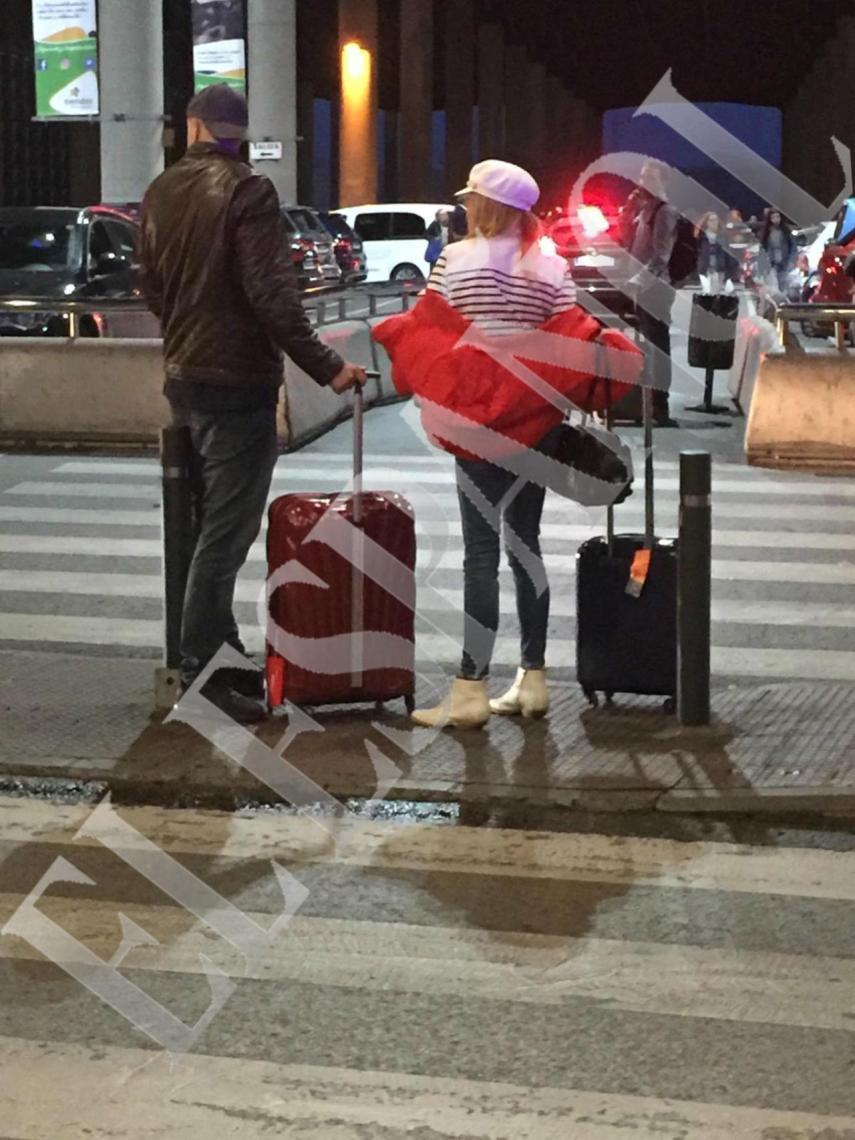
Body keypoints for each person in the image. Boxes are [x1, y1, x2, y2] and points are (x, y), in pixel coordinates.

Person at [372, 160, 641, 729]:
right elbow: (566, 339)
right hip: (535, 424)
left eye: (472, 200)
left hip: (474, 428)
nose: (466, 207)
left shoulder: (454, 260)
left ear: (485, 206)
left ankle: (471, 689)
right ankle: (533, 680)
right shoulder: (550, 266)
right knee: (526, 547)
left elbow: (429, 330)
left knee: (479, 556)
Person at [139, 85, 365, 723]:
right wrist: (330, 367)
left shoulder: (160, 192)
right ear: (238, 133)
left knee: (205, 524)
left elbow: (151, 286)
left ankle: (218, 653)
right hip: (236, 381)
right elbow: (273, 297)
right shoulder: (247, 190)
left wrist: (186, 330)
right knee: (225, 535)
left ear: (193, 128)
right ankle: (203, 670)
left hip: (185, 376)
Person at [626, 160, 679, 426]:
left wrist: (638, 280)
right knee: (648, 348)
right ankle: (648, 404)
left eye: (650, 176)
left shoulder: (664, 211)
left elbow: (661, 256)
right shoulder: (645, 209)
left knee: (658, 349)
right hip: (644, 290)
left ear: (662, 181)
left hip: (655, 290)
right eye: (642, 174)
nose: (642, 179)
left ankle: (661, 407)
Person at [697, 211, 739, 293]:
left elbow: (728, 252)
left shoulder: (723, 235)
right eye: (711, 220)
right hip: (706, 268)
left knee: (716, 292)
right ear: (707, 222)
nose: (714, 222)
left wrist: (731, 270)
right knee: (707, 291)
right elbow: (698, 249)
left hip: (719, 268)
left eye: (715, 220)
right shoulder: (702, 235)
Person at [759, 209, 797, 294]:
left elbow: (793, 248)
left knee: (783, 284)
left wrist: (791, 261)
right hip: (771, 263)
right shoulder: (767, 232)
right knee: (772, 285)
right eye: (773, 217)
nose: (775, 219)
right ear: (770, 219)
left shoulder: (786, 231)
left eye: (777, 217)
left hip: (784, 262)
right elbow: (762, 248)